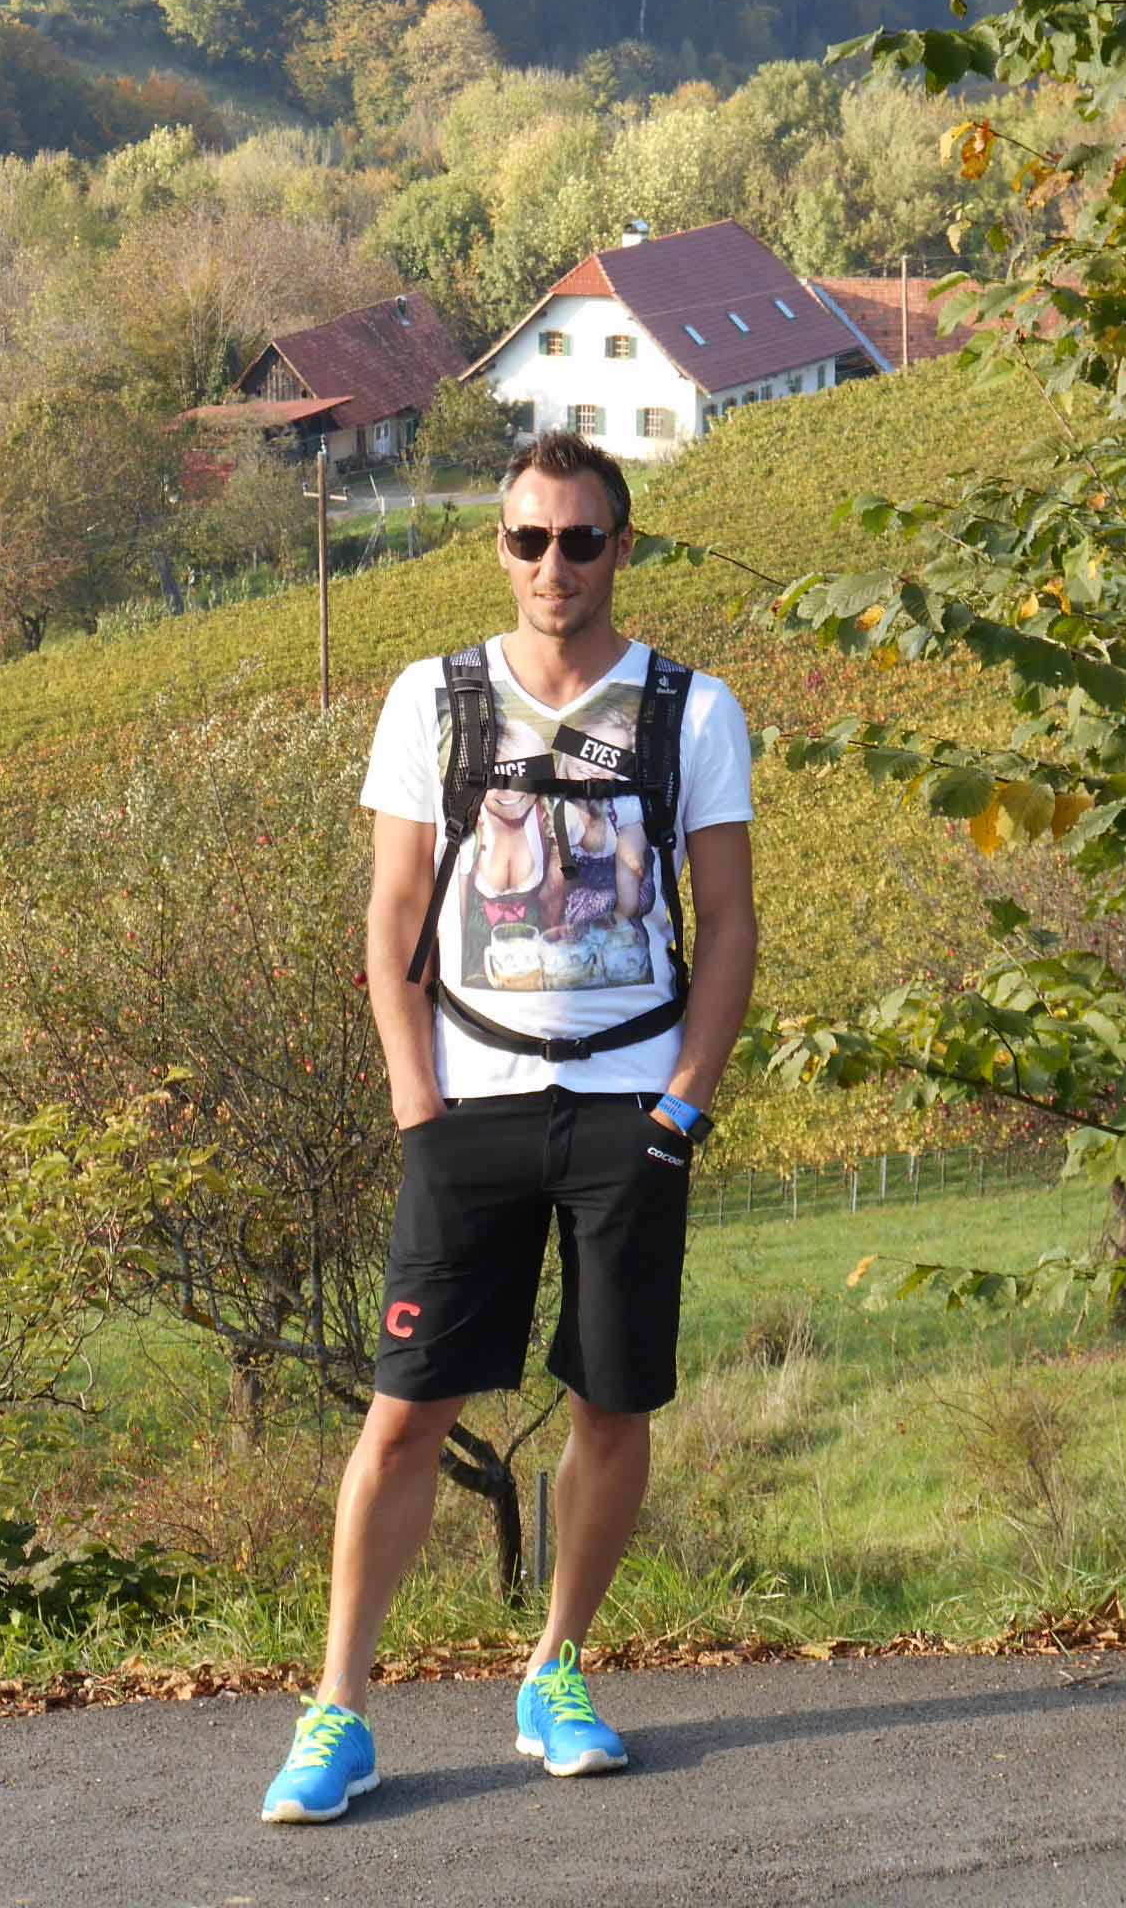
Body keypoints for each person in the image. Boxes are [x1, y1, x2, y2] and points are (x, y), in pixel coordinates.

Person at [261, 428, 757, 1823]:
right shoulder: (433, 699)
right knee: (407, 1412)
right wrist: (413, 1099)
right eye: (530, 539)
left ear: (621, 547)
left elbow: (730, 925)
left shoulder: (691, 711)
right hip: (467, 1108)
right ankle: (338, 1711)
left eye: (581, 539)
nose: (555, 564)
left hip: (628, 1108)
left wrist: (681, 1104)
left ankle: (556, 1669)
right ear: (501, 547)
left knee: (613, 1401)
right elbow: (392, 913)